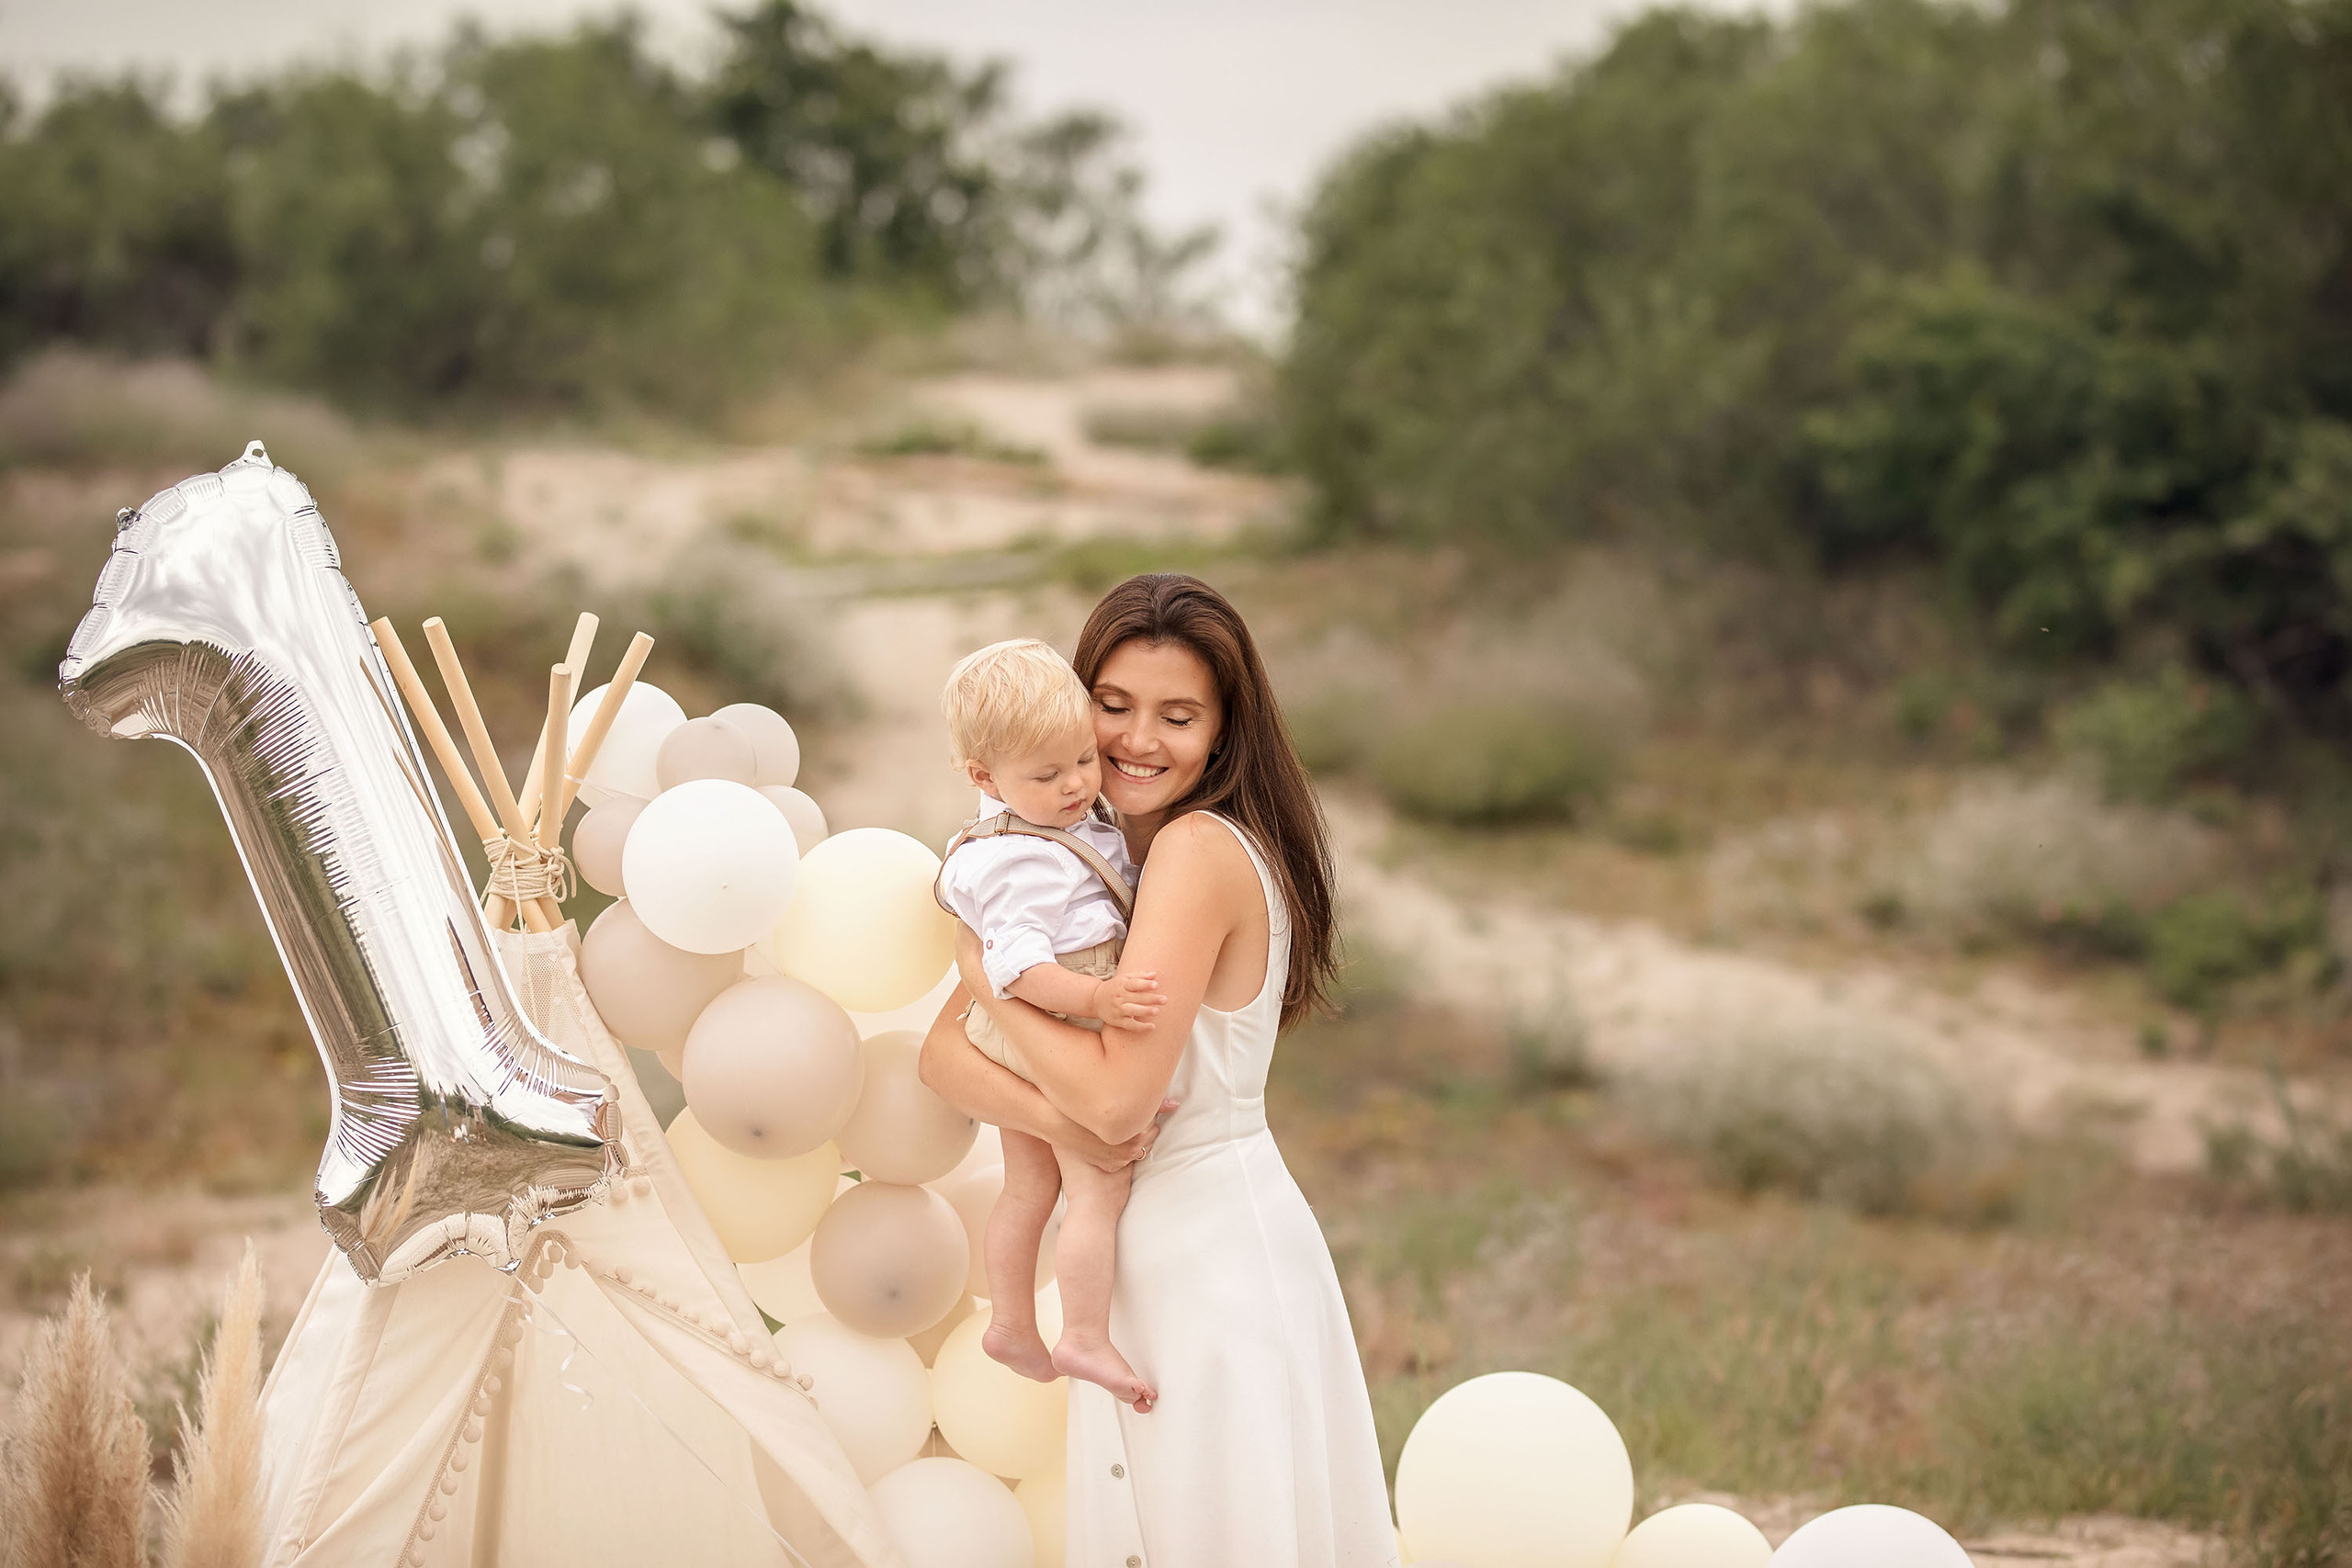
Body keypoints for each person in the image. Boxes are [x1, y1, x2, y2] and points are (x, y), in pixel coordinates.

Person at [920, 575, 1399, 1568]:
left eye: (1177, 716)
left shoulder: (1193, 849)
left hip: (1209, 1258)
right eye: (1114, 706)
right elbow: (938, 1060)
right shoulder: (1074, 858)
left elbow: (1113, 1099)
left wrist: (986, 976)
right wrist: (1052, 1109)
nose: (1138, 740)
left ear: (1222, 735)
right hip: (1137, 1252)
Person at [933, 637, 1167, 1412]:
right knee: (1096, 1182)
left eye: (1081, 761)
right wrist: (1098, 1003)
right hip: (1054, 1014)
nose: (1075, 786)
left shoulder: (1037, 825)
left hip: (1027, 1026)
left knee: (1029, 1182)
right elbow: (1018, 971)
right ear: (982, 777)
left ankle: (1009, 1323)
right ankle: (1085, 1334)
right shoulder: (1019, 860)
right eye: (1048, 774)